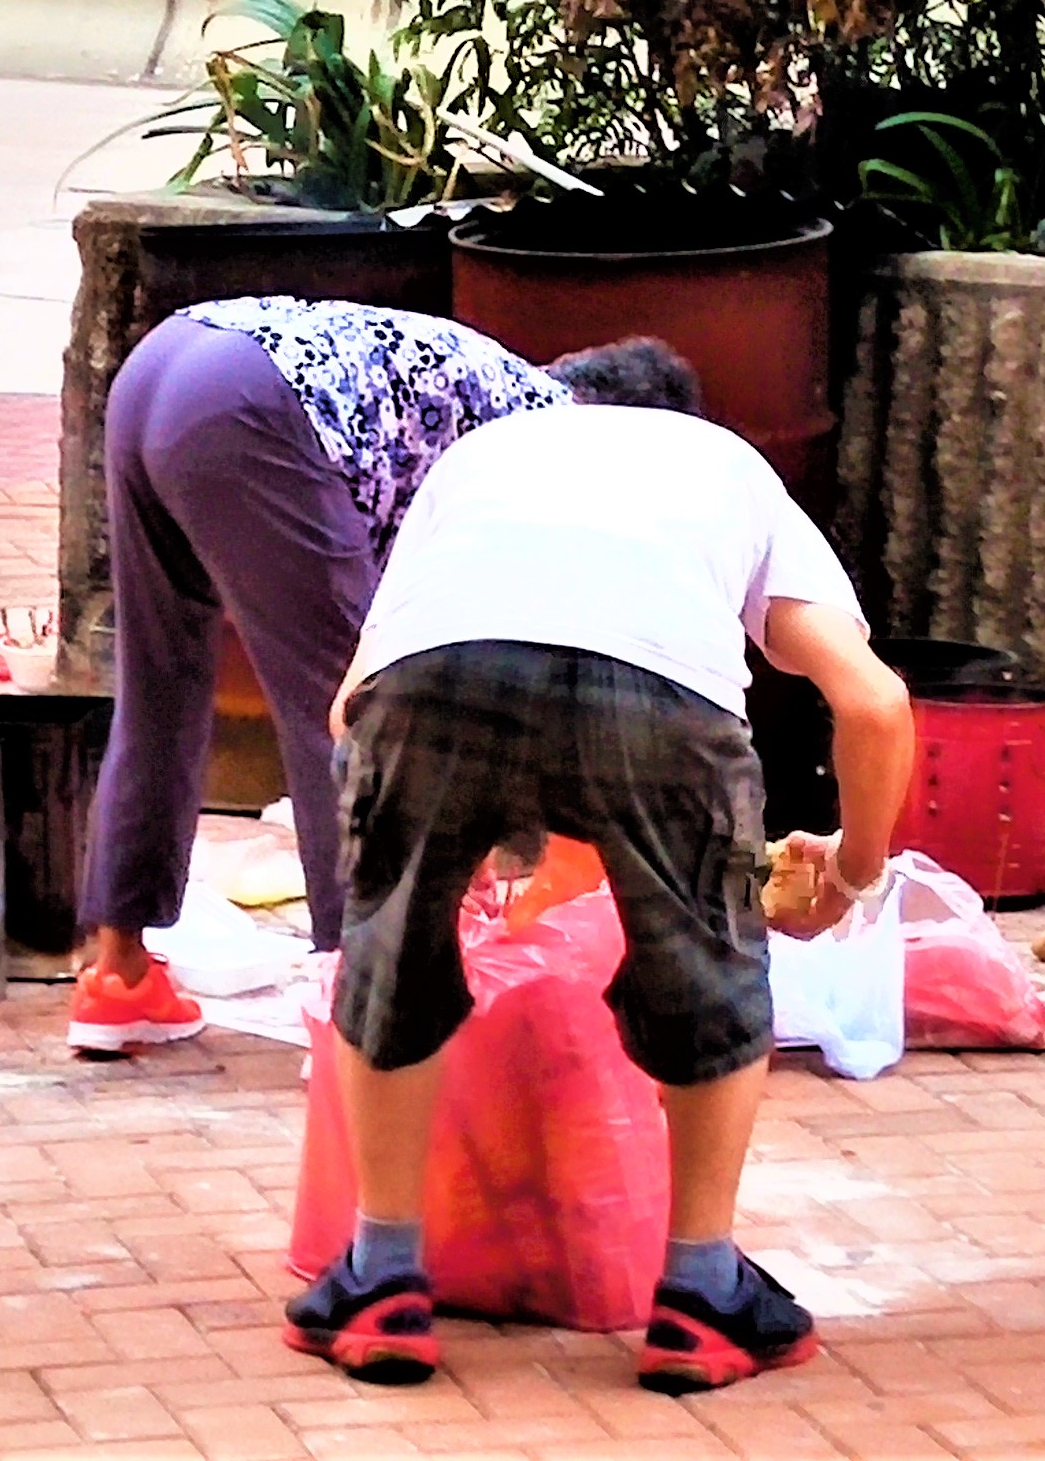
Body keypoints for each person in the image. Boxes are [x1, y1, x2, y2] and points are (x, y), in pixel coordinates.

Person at [286, 342, 917, 1395]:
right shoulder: (728, 469)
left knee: (387, 958)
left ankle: (382, 1281)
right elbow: (874, 702)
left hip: (433, 679)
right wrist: (851, 875)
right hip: (662, 694)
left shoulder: (482, 458)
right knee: (709, 984)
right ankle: (701, 1299)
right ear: (689, 415)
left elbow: (354, 708)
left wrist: (449, 836)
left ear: (557, 405)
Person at [73, 296, 571, 1053]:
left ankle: (121, 978)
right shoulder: (559, 443)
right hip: (255, 402)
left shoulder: (496, 388)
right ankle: (358, 1004)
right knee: (348, 711)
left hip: (164, 364)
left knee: (158, 683)